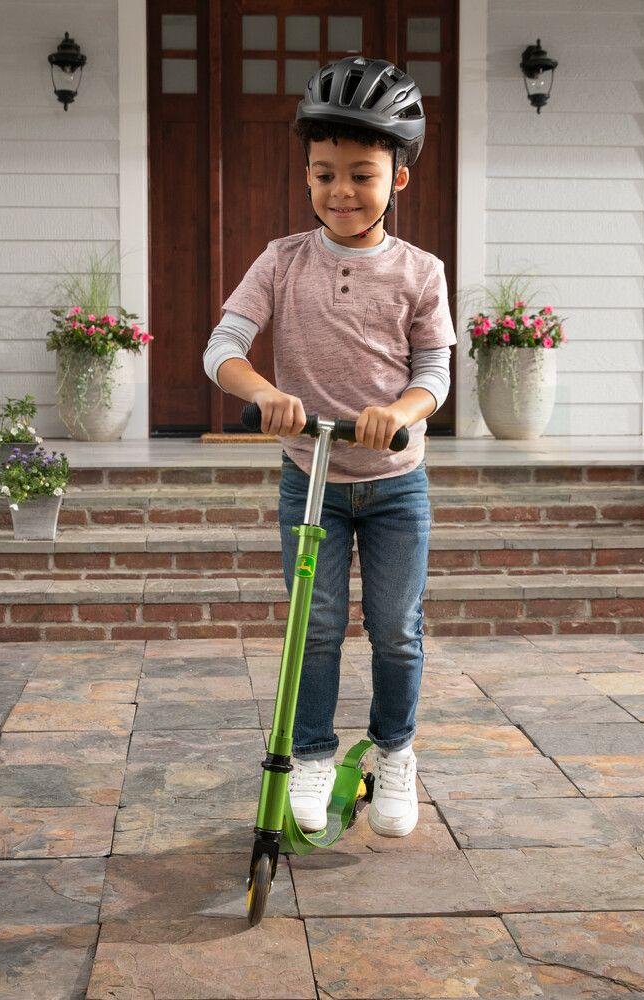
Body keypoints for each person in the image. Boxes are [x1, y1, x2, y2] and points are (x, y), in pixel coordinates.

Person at [203, 56, 455, 838]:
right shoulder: (282, 261)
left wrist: (401, 410)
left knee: (396, 630)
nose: (340, 192)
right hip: (309, 475)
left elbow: (437, 371)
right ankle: (311, 755)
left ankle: (396, 752)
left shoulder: (420, 271)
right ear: (306, 176)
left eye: (361, 175)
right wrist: (262, 393)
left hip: (394, 483)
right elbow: (223, 346)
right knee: (312, 628)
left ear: (397, 180)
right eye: (323, 175)